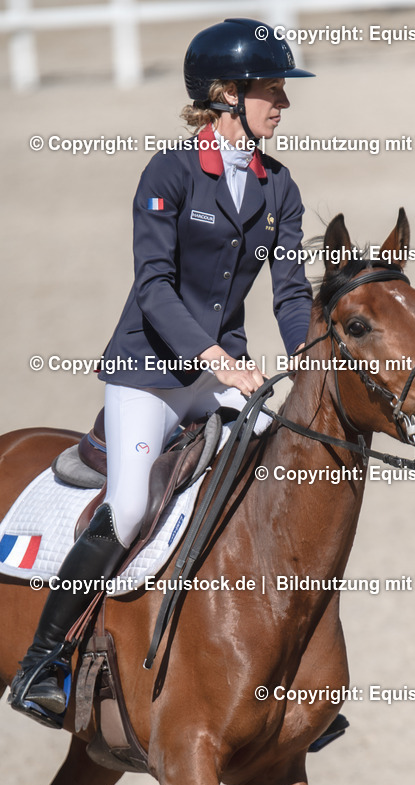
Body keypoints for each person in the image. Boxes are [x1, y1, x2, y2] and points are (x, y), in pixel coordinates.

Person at [9, 18, 315, 728]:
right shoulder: (170, 173)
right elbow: (154, 286)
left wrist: (309, 361)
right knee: (132, 506)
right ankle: (42, 662)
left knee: (285, 475)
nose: (284, 104)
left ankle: (278, 666)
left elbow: (291, 293)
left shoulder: (279, 187)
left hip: (221, 374)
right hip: (149, 372)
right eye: (272, 90)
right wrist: (216, 361)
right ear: (226, 95)